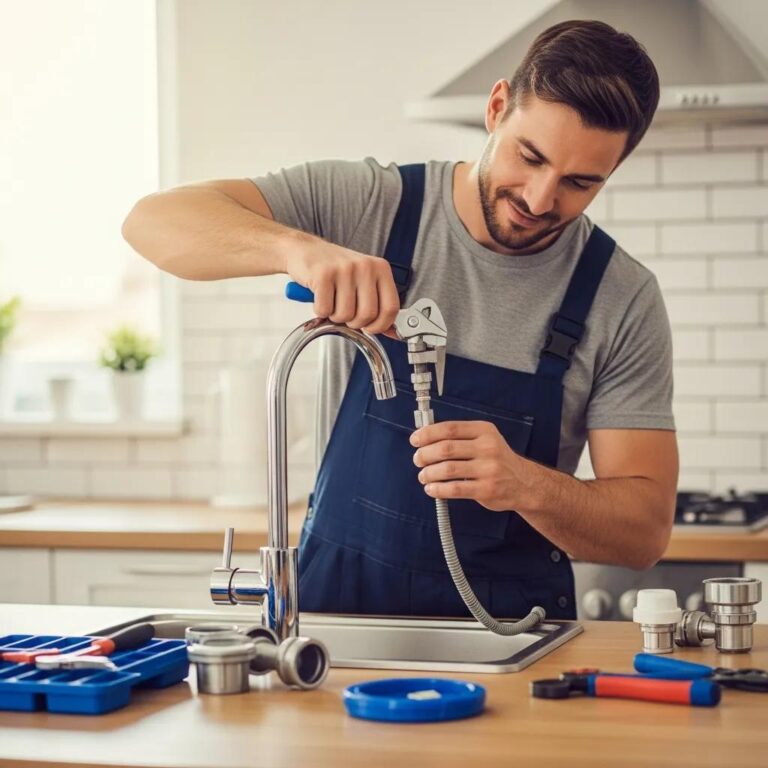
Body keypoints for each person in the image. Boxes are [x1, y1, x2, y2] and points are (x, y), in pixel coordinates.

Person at [123, 19, 679, 620]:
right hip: (339, 627)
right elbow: (152, 222)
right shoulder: (371, 206)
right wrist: (300, 250)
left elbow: (643, 535)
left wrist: (525, 484)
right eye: (530, 156)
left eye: (579, 182)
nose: (541, 200)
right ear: (496, 108)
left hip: (513, 642)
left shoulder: (621, 297)